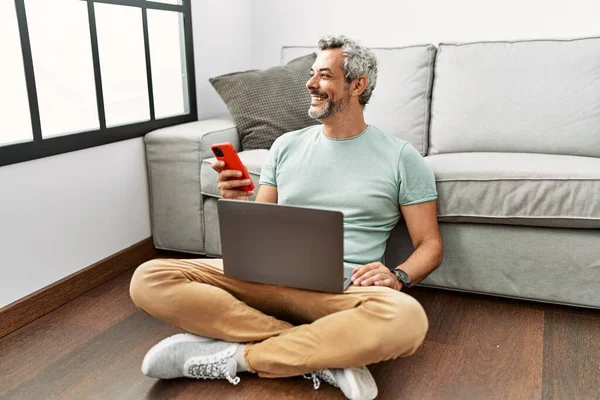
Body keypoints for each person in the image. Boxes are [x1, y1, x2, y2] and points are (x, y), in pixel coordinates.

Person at [130, 35, 443, 400]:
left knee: (407, 319)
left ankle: (239, 357)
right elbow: (263, 224)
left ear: (358, 84)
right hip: (264, 279)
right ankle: (323, 352)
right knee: (150, 276)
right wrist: (238, 200)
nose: (310, 84)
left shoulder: (401, 157)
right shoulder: (286, 145)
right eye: (311, 74)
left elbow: (430, 244)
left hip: (340, 288)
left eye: (324, 75)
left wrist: (398, 276)